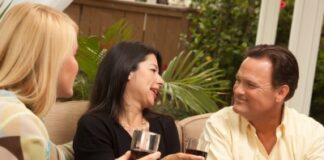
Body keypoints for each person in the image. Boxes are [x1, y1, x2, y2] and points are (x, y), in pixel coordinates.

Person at [73, 41, 205, 160]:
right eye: (153, 70)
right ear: (128, 71)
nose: (161, 81)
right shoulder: (93, 126)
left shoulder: (166, 125)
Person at [200, 44, 324, 159]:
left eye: (250, 85)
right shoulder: (219, 124)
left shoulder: (312, 134)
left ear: (281, 92)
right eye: (238, 80)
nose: (237, 90)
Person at [0, 2, 78, 160]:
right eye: (74, 54)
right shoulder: (19, 123)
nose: (77, 64)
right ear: (52, 60)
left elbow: (49, 153)